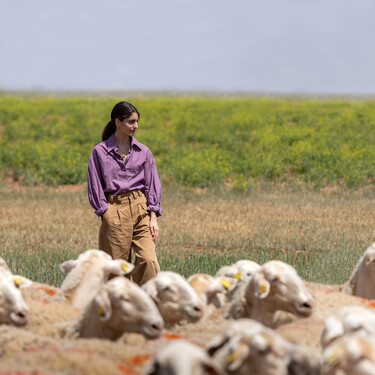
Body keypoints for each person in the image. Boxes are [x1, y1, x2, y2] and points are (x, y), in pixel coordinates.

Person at [87, 101, 161, 285]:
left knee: (149, 260)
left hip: (141, 208)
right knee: (117, 268)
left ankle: (147, 305)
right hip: (114, 210)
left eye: (136, 121)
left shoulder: (144, 152)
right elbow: (94, 185)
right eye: (131, 122)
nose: (136, 126)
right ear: (117, 122)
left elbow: (152, 184)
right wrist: (106, 212)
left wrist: (153, 217)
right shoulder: (100, 152)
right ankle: (118, 307)